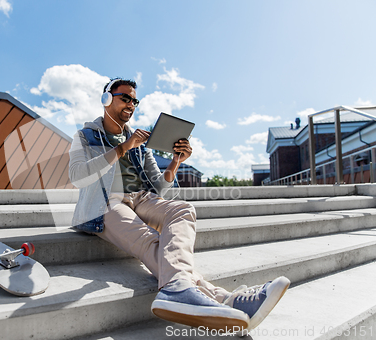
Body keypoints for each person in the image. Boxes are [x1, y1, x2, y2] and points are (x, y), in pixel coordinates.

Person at [68, 78, 290, 333]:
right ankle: (225, 299)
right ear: (107, 99)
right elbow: (77, 176)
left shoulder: (141, 143)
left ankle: (180, 291)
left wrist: (175, 162)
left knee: (183, 209)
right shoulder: (84, 136)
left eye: (135, 100)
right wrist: (122, 149)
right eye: (125, 98)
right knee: (152, 241)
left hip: (141, 198)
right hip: (106, 201)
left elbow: (159, 188)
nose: (131, 104)